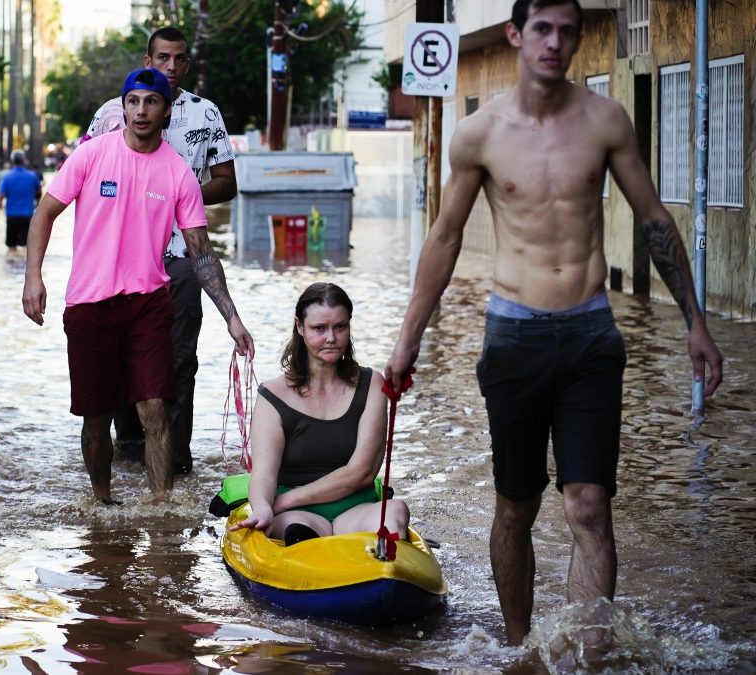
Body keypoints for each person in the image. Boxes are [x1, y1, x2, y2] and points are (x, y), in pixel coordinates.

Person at [383, 0, 724, 646]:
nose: (555, 42)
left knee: (589, 505)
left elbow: (653, 218)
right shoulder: (481, 133)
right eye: (542, 28)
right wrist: (407, 343)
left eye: (568, 31)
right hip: (514, 336)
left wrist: (695, 323)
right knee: (515, 507)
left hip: (591, 333)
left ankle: (590, 654)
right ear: (516, 34)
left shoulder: (605, 121)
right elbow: (446, 237)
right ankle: (519, 650)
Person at [23, 67, 253, 503]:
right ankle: (102, 503)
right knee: (96, 417)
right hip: (90, 305)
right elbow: (45, 213)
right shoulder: (92, 156)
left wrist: (232, 318)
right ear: (123, 106)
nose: (141, 110)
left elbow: (201, 253)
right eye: (133, 101)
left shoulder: (178, 173)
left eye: (151, 102)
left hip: (148, 304)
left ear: (167, 110)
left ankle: (161, 509)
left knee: (154, 410)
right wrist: (34, 278)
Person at [83, 26, 237, 475]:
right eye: (163, 58)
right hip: (117, 263)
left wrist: (179, 194)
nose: (171, 67)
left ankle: (175, 461)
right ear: (147, 62)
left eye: (180, 59)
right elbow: (82, 177)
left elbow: (227, 181)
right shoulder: (112, 114)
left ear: (187, 65)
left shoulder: (205, 114)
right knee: (118, 360)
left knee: (178, 358)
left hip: (181, 256)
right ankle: (130, 444)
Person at [231, 283, 409, 544]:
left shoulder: (372, 384)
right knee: (296, 531)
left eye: (340, 327)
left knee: (395, 511)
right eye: (319, 328)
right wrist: (264, 508)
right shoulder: (273, 394)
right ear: (300, 327)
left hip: (355, 508)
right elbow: (264, 475)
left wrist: (282, 502)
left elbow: (362, 472)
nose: (331, 338)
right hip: (296, 515)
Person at [0, 150, 43, 254]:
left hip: (12, 216)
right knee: (26, 248)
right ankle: (22, 268)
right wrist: (37, 208)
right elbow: (39, 194)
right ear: (24, 161)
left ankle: (12, 269)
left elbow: (0, 198)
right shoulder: (32, 176)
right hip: (28, 216)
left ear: (12, 161)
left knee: (11, 248)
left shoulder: (6, 178)